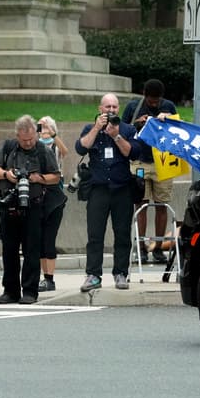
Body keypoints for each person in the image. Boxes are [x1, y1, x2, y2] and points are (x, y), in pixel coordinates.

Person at [0, 115, 63, 305]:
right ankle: (10, 291)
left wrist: (39, 179)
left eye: (31, 139)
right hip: (10, 206)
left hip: (34, 205)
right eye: (24, 140)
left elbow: (56, 176)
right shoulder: (8, 147)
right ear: (17, 136)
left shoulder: (42, 150)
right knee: (9, 250)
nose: (29, 143)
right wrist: (8, 174)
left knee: (32, 250)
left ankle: (30, 291)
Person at [76, 93, 142, 292]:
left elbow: (134, 152)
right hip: (98, 189)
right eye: (107, 107)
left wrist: (116, 135)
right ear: (100, 108)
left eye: (114, 107)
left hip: (122, 188)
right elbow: (81, 148)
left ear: (118, 109)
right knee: (95, 235)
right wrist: (98, 128)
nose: (111, 110)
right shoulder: (90, 128)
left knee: (122, 234)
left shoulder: (128, 129)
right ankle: (93, 275)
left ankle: (120, 273)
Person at [121, 78, 178, 264]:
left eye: (157, 101)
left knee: (162, 204)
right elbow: (122, 130)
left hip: (163, 161)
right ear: (144, 95)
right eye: (151, 101)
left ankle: (159, 248)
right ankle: (142, 246)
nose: (154, 104)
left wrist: (166, 119)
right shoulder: (134, 107)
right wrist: (137, 123)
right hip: (139, 162)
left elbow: (178, 129)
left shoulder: (169, 106)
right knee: (141, 204)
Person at [37, 115, 68, 292]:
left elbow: (65, 152)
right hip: (38, 194)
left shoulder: (55, 145)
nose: (44, 129)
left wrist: (53, 133)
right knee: (40, 239)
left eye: (46, 126)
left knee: (49, 238)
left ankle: (50, 278)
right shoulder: (34, 145)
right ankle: (44, 277)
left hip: (54, 195)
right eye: (41, 126)